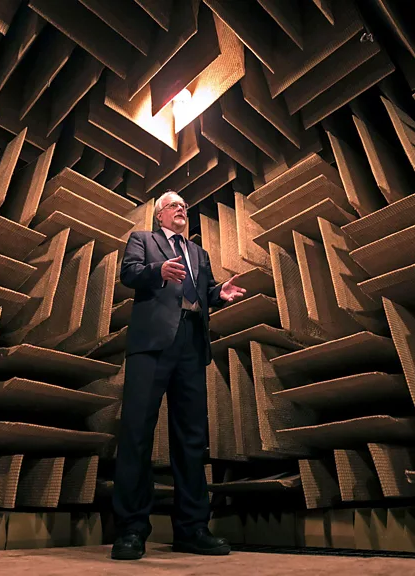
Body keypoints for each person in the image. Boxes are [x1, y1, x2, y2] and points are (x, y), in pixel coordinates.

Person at [110, 190, 247, 560]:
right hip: (152, 344)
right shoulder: (143, 240)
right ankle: (131, 530)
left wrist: (220, 293)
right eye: (173, 205)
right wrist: (159, 270)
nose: (181, 209)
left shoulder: (198, 252)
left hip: (190, 343)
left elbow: (201, 291)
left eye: (184, 206)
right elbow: (129, 274)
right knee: (137, 433)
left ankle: (192, 528)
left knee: (191, 439)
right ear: (159, 216)